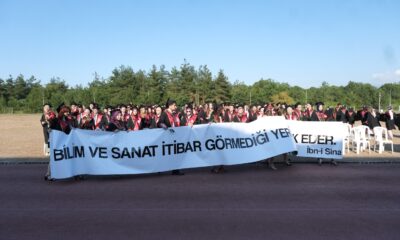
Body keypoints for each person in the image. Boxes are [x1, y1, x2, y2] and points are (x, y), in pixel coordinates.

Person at [157, 99, 184, 175]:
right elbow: (160, 123)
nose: (176, 107)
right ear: (170, 105)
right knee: (165, 153)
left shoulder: (174, 114)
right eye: (174, 105)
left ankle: (175, 170)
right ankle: (159, 168)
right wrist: (165, 126)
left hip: (174, 136)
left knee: (175, 153)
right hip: (167, 137)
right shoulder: (164, 114)